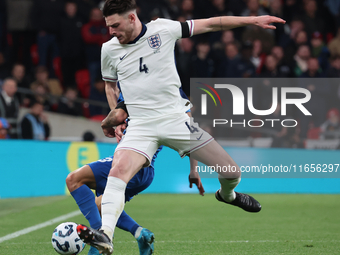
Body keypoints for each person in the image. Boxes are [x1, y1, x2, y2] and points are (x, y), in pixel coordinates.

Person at [77, 1, 285, 254]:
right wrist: (118, 116)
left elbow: (211, 23)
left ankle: (227, 196)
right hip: (140, 124)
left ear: (132, 18)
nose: (111, 32)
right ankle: (105, 235)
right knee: (117, 172)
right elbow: (110, 85)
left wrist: (251, 21)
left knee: (232, 173)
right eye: (108, 26)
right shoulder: (108, 49)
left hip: (176, 120)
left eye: (116, 25)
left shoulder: (163, 30)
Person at [73, 93, 203, 255]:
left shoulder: (138, 87)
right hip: (145, 172)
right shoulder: (166, 95)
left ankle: (99, 236)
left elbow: (115, 106)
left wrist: (108, 123)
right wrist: (193, 170)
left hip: (130, 163)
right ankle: (140, 233)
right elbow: (193, 134)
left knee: (74, 179)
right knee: (100, 205)